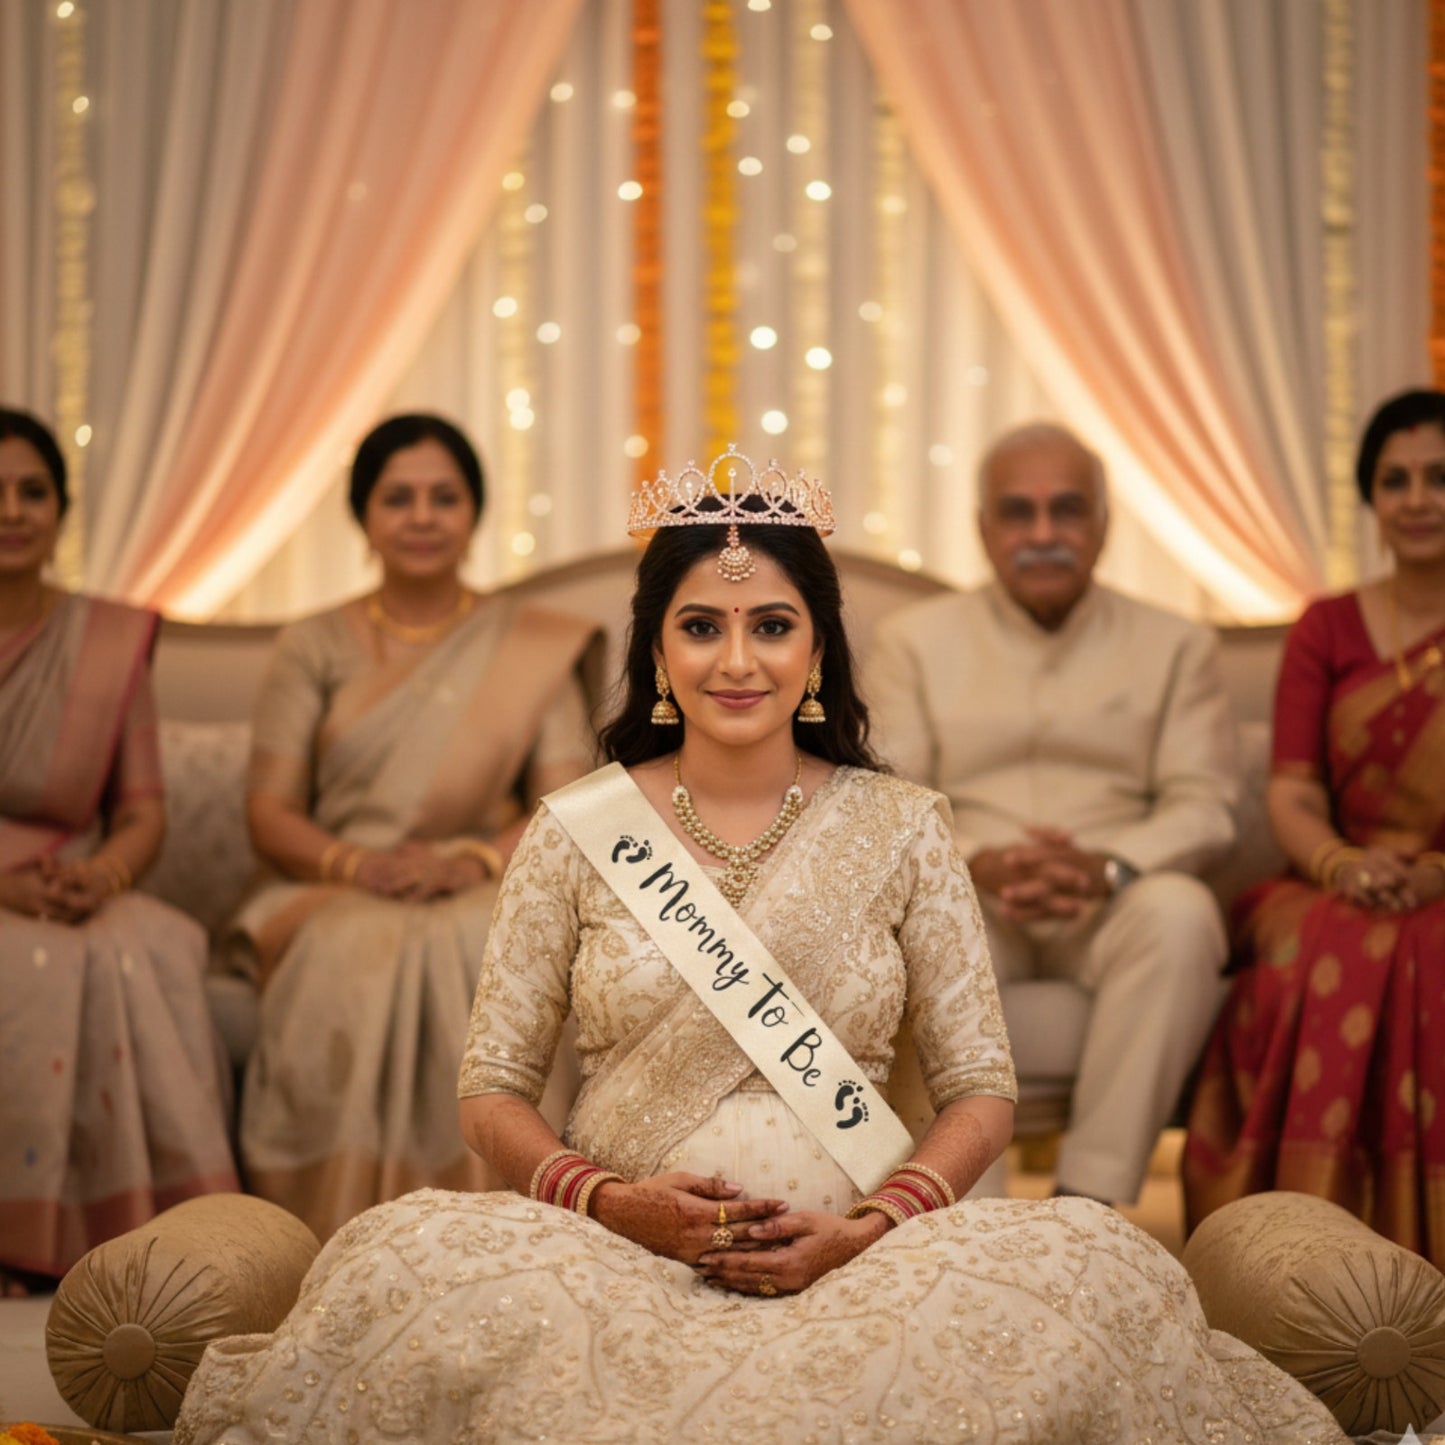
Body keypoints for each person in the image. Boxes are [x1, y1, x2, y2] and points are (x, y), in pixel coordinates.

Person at [175, 449, 1340, 1442]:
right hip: (611, 1244)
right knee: (398, 1263)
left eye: (771, 624)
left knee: (1100, 1271)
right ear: (660, 652)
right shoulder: (577, 828)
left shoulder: (902, 826)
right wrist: (614, 1202)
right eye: (701, 626)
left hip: (865, 1250)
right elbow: (490, 1090)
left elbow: (980, 1086)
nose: (737, 659)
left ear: (819, 649)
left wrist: (865, 1225)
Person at [229, 412, 601, 1242]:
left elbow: (563, 805)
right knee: (355, 949)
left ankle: (502, 1231)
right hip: (335, 882)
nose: (423, 516)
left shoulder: (527, 643)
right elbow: (268, 812)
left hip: (484, 878)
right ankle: (326, 1233)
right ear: (363, 515)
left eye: (445, 496)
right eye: (399, 498)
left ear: (476, 511)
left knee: (485, 942)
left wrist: (468, 857)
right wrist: (357, 865)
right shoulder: (313, 643)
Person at [867, 421, 1239, 1206]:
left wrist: (1109, 866)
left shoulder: (1175, 644)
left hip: (1111, 895)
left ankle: (1088, 1205)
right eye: (1017, 512)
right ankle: (971, 1213)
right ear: (981, 528)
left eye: (1066, 510)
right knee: (927, 917)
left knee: (1181, 913)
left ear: (1102, 524)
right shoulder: (913, 641)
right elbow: (891, 800)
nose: (1043, 534)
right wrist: (977, 860)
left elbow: (1203, 804)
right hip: (972, 893)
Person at [1185, 389, 1445, 1265]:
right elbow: (1291, 790)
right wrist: (1340, 865)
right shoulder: (1327, 628)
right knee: (1315, 946)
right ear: (1371, 499)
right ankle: (1292, 1267)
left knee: (1427, 948)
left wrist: (1433, 875)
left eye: (1439, 477)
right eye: (1396, 479)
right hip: (1339, 872)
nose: (1417, 498)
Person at [0, 407, 238, 1294]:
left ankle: (141, 1254)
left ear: (61, 510)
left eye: (33, 491)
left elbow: (142, 810)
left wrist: (101, 875)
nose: (14, 510)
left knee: (142, 946)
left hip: (77, 877)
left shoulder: (107, 640)